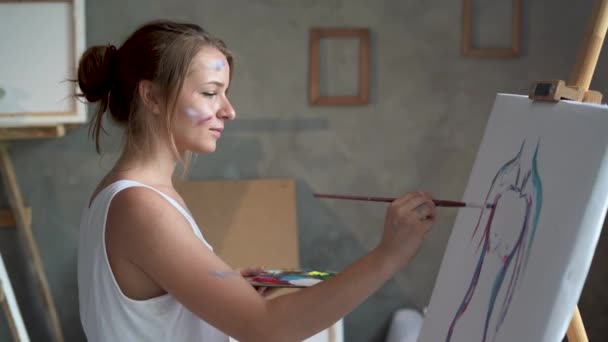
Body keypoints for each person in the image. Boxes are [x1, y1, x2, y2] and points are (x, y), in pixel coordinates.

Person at [75, 19, 437, 342]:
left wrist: (221, 290)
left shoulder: (130, 195)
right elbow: (266, 329)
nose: (228, 110)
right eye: (210, 93)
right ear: (152, 95)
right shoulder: (141, 205)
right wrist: (389, 255)